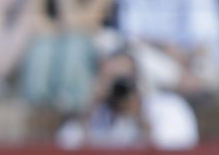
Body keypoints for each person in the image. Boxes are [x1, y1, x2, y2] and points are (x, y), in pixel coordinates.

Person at [18, 0, 115, 112]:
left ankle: (72, 112)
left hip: (90, 42)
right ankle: (38, 109)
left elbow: (91, 20)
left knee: (74, 45)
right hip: (53, 39)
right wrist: (59, 30)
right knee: (42, 48)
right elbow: (35, 18)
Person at [56, 46, 199, 148]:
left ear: (137, 79)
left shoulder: (169, 107)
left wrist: (141, 117)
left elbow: (177, 152)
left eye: (124, 79)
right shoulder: (96, 114)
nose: (119, 87)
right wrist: (88, 112)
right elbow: (66, 149)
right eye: (111, 79)